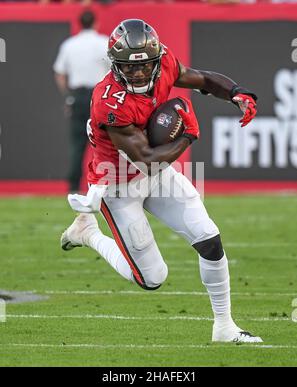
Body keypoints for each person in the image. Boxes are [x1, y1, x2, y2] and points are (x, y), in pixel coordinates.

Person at [61, 19, 262, 343]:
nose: (138, 74)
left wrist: (237, 93)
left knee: (208, 237)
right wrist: (189, 135)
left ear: (156, 60)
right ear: (116, 65)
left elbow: (203, 79)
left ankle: (224, 327)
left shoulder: (166, 62)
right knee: (152, 278)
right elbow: (146, 159)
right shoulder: (108, 100)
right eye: (129, 67)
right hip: (118, 185)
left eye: (144, 67)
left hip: (157, 174)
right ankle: (88, 234)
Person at [53, 10, 110, 193]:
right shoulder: (103, 42)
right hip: (99, 97)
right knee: (105, 143)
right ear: (95, 23)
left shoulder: (70, 44)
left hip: (77, 96)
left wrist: (68, 96)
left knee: (77, 144)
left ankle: (73, 187)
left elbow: (60, 74)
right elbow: (114, 71)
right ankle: (106, 184)